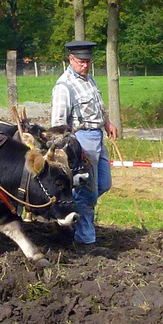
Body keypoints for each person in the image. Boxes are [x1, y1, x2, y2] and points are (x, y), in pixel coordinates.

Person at [51, 40, 116, 246]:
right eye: (81, 61)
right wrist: (72, 149)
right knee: (87, 194)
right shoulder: (64, 86)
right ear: (70, 59)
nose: (85, 65)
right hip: (81, 141)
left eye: (88, 61)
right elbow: (58, 125)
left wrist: (107, 123)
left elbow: (98, 108)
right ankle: (86, 241)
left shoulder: (90, 80)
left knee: (103, 184)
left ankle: (66, 205)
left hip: (98, 136)